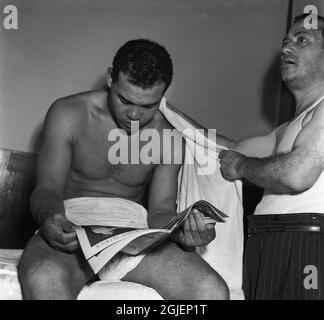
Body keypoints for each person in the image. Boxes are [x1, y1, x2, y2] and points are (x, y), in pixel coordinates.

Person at [17, 39, 229, 300]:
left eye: (148, 105)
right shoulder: (69, 114)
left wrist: (184, 232)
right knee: (44, 279)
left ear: (164, 95)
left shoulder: (169, 134)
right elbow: (47, 188)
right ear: (109, 78)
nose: (134, 115)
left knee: (211, 292)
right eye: (125, 100)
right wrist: (50, 218)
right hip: (72, 223)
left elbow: (161, 209)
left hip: (135, 231)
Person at [219, 13, 324, 299]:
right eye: (286, 41)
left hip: (308, 243)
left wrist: (241, 166)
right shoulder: (288, 129)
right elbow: (231, 147)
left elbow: (296, 174)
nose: (287, 48)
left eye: (302, 40)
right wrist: (167, 115)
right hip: (267, 243)